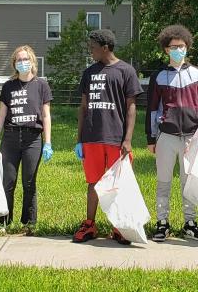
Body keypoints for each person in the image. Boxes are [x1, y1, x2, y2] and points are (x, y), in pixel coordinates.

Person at [73, 29, 143, 245]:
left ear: (105, 48)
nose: (90, 50)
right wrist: (79, 139)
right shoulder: (89, 73)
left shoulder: (126, 71)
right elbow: (84, 107)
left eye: (93, 47)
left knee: (117, 184)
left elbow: (131, 108)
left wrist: (128, 140)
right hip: (92, 138)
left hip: (115, 138)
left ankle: (118, 227)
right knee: (93, 182)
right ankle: (89, 224)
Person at [0, 45, 53, 230]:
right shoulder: (9, 86)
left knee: (29, 182)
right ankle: (4, 222)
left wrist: (47, 143)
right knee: (8, 181)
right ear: (14, 64)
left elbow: (46, 115)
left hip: (33, 139)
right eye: (19, 60)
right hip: (11, 139)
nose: (23, 63)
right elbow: (1, 115)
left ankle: (29, 223)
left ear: (32, 62)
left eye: (26, 59)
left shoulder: (41, 85)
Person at [146, 24, 198, 242]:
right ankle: (162, 222)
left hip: (192, 137)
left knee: (190, 181)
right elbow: (151, 109)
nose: (179, 49)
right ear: (166, 49)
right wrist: (151, 138)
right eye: (174, 46)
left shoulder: (196, 74)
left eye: (182, 46)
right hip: (166, 137)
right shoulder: (158, 77)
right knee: (163, 181)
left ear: (188, 47)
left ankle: (190, 223)